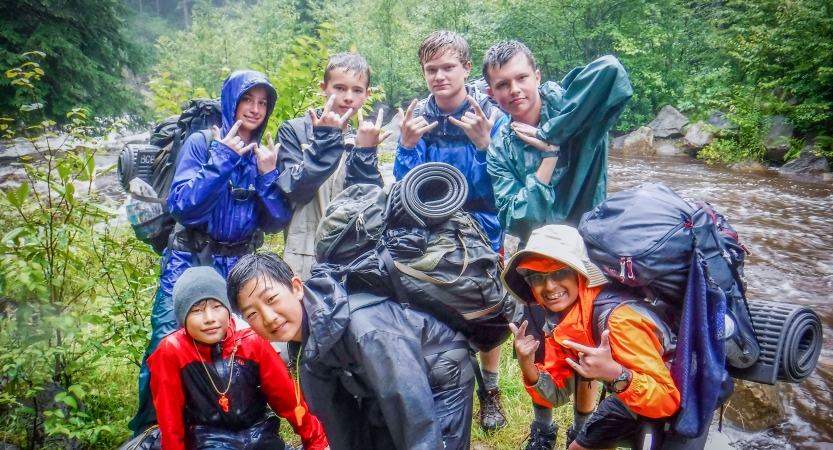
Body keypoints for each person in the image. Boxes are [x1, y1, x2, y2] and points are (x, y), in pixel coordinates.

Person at [482, 40, 634, 448]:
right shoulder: (500, 148)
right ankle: (543, 426)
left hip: (588, 250)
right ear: (491, 93)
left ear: (537, 76)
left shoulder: (571, 107)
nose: (513, 89)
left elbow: (611, 70)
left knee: (587, 340)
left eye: (520, 77)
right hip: (538, 256)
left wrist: (552, 132)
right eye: (501, 84)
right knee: (536, 343)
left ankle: (583, 426)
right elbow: (518, 216)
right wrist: (549, 155)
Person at [129, 70, 291, 434]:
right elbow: (183, 206)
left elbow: (277, 221)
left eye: (263, 102)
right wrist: (222, 157)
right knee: (166, 344)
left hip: (239, 265)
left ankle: (234, 425)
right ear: (231, 101)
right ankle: (149, 430)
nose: (255, 109)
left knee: (242, 348)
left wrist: (266, 176)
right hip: (191, 260)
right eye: (248, 100)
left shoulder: (261, 153)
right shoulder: (203, 143)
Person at [226, 252, 476, 450]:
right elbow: (337, 419)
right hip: (379, 385)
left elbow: (412, 406)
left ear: (296, 287)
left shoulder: (364, 330)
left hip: (440, 377)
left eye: (271, 299)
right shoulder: (305, 343)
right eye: (253, 314)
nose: (269, 318)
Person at [503, 225, 709, 450]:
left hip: (685, 397)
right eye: (537, 277)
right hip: (629, 393)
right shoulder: (562, 319)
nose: (549, 286)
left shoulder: (618, 320)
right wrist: (528, 365)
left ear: (580, 274)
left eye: (560, 272)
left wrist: (614, 373)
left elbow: (667, 400)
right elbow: (557, 396)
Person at [395, 30, 509, 431]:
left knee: (487, 311)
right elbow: (405, 193)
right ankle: (444, 383)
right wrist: (407, 146)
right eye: (431, 69)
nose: (440, 76)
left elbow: (497, 189)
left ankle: (490, 392)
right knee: (434, 310)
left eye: (448, 67)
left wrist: (484, 146)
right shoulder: (417, 119)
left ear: (465, 67)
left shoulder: (490, 117)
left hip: (482, 228)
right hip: (432, 234)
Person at [148, 266, 329, 450]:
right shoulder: (172, 350)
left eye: (217, 306)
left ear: (228, 310)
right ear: (182, 319)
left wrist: (317, 443)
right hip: (207, 437)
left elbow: (288, 398)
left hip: (258, 433)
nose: (209, 318)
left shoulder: (251, 342)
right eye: (197, 310)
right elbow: (169, 419)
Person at [278, 52, 387, 281]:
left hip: (351, 254)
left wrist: (365, 152)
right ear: (323, 88)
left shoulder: (363, 138)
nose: (348, 97)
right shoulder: (295, 131)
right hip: (302, 252)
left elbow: (369, 205)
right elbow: (296, 189)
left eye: (357, 90)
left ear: (367, 95)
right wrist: (326, 138)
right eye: (339, 88)